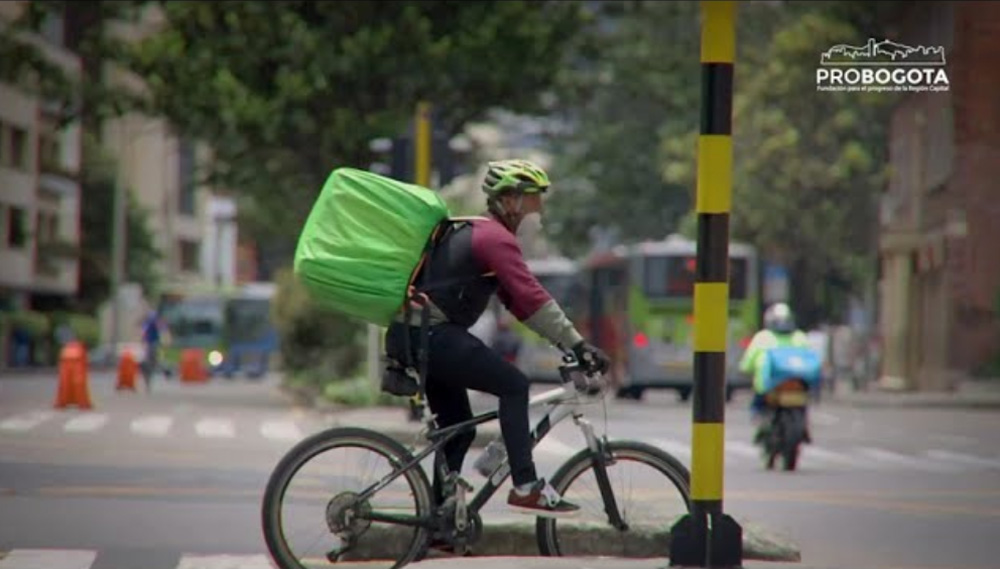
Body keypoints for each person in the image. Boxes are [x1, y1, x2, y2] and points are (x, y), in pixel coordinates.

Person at [383, 159, 611, 518]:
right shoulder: (494, 238)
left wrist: (564, 344)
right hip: (433, 335)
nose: (536, 211)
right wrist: (580, 345)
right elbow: (531, 294)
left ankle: (441, 519)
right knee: (514, 386)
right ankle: (526, 487)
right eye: (532, 201)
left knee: (457, 429)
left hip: (415, 336)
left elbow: (518, 303)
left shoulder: (477, 232)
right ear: (510, 201)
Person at [738, 302, 815, 443]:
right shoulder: (800, 337)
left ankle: (762, 427)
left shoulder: (763, 337)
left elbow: (748, 362)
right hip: (799, 383)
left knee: (757, 406)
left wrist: (745, 369)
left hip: (770, 386)